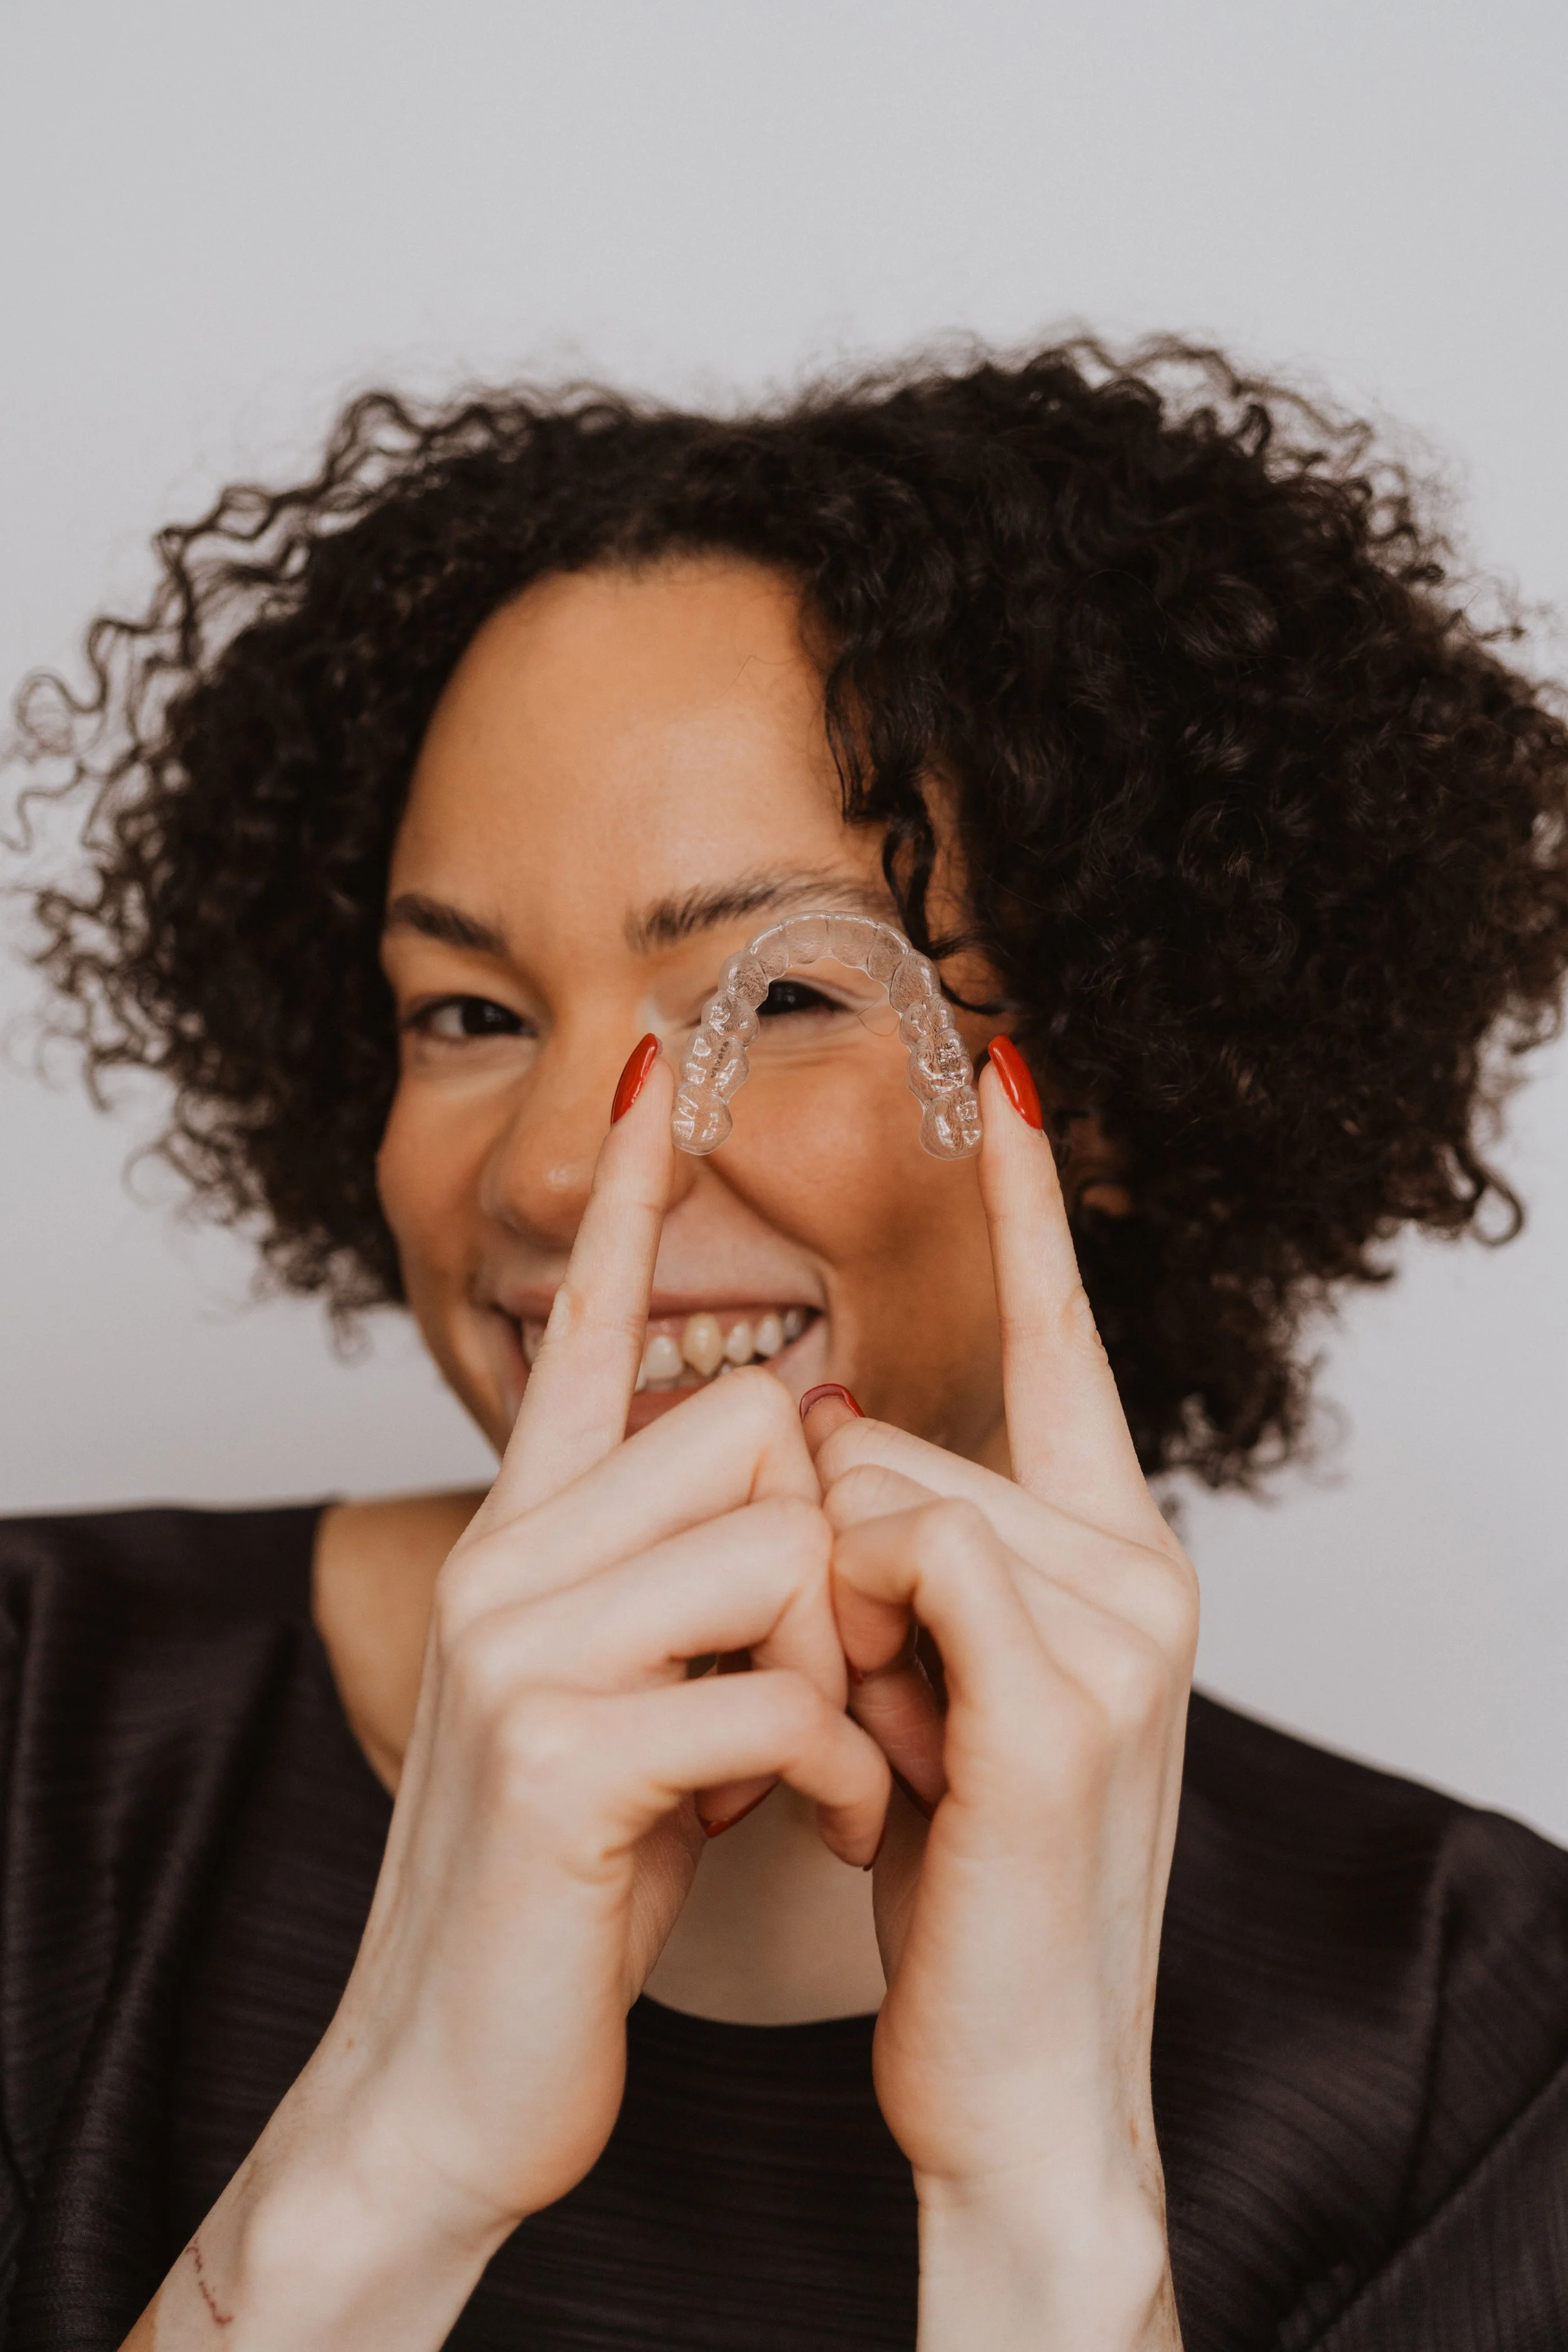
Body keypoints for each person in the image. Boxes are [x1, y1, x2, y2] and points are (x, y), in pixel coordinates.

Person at [5, 341, 1568, 2351]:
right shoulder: (37, 1732)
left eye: (793, 990)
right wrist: (386, 2156)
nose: (566, 1173)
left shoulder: (1471, 2039)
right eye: (465, 1012)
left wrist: (1044, 2201)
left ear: (1099, 1088)